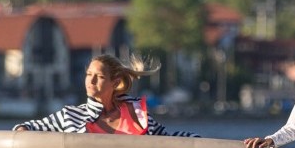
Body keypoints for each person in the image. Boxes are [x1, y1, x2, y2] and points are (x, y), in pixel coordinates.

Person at [14, 54, 197, 136]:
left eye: (99, 77)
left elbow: (169, 138)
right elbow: (26, 127)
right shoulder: (70, 115)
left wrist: (201, 143)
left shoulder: (136, 113)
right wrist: (21, 130)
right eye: (88, 75)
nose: (90, 81)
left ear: (115, 82)